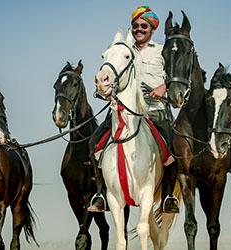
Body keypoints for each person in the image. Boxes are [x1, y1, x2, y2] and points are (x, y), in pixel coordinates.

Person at [88, 6, 179, 213]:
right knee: (95, 142)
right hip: (123, 110)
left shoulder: (161, 50)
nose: (139, 29)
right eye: (136, 26)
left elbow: (175, 77)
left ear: (152, 29)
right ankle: (102, 194)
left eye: (143, 26)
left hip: (154, 109)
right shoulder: (123, 50)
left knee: (173, 146)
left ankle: (168, 196)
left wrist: (163, 87)